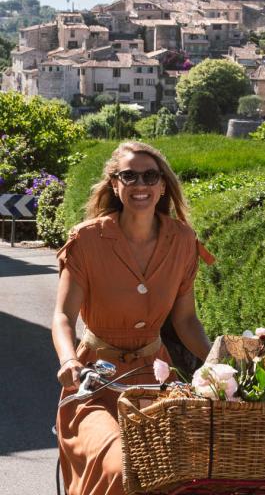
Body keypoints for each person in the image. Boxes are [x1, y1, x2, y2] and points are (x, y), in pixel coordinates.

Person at [52, 140, 215, 495]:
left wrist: (221, 366)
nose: (140, 184)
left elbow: (186, 321)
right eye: (129, 176)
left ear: (161, 186)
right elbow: (63, 316)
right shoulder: (87, 240)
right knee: (120, 468)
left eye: (149, 176)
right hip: (94, 381)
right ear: (115, 184)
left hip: (156, 379)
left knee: (180, 474)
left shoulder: (183, 241)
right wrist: (68, 361)